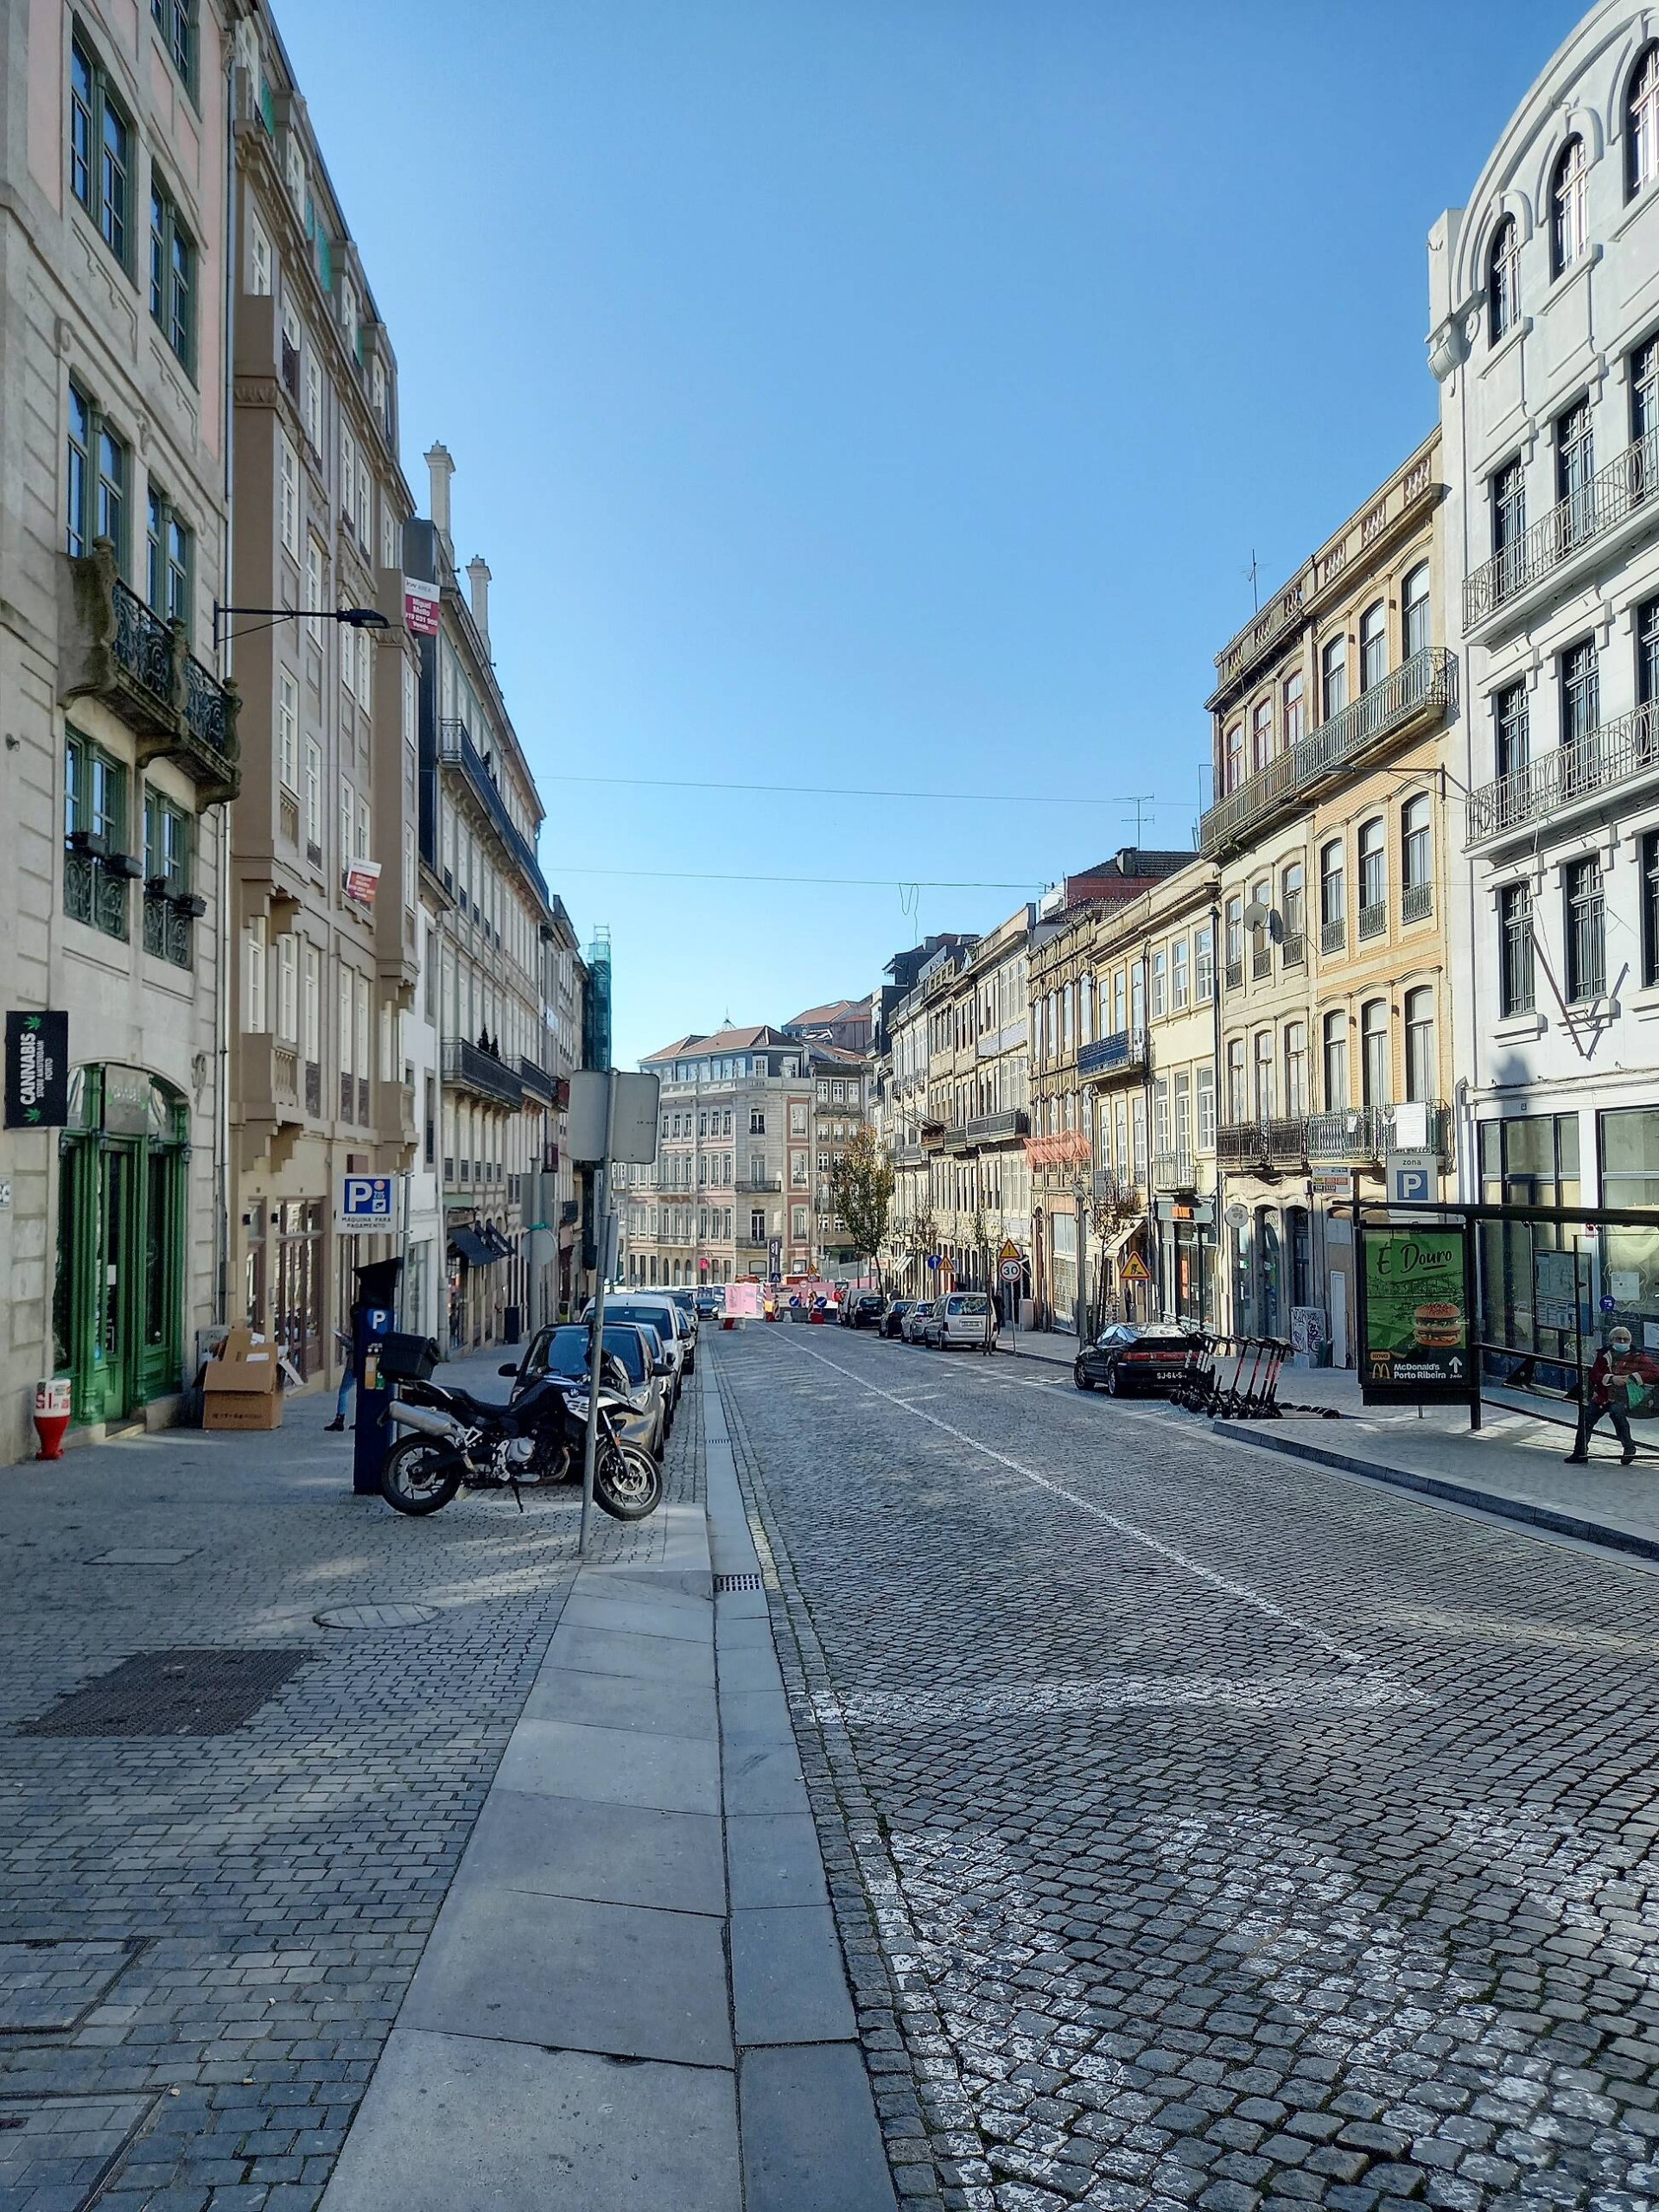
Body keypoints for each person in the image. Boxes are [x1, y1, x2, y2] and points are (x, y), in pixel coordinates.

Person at [1565, 1325, 1659, 1465]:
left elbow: (1655, 1372)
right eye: (1619, 1339)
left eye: (1625, 1339)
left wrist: (1633, 1377)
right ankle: (1580, 1451)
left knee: (1617, 1412)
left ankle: (1629, 1448)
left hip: (1625, 1397)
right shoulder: (1603, 1355)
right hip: (1603, 1396)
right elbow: (1595, 1374)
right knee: (1587, 1418)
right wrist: (1610, 1378)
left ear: (1630, 1341)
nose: (1622, 1342)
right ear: (1611, 1340)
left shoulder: (1638, 1356)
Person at [325, 1303, 360, 1433]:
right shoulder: (366, 1325)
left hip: (354, 1363)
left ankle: (340, 1419)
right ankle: (361, 1419)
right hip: (365, 1364)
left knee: (344, 1391)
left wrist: (341, 1338)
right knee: (361, 1392)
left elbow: (354, 1346)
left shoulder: (358, 1327)